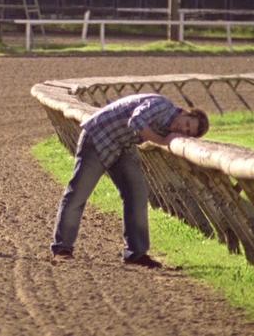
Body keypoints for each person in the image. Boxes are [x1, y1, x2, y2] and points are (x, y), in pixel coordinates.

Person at [51, 94, 209, 268]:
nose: (182, 129)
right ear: (185, 113)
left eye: (187, 132)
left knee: (137, 194)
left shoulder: (171, 128)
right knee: (78, 193)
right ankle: (62, 249)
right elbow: (136, 121)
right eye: (187, 124)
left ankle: (136, 253)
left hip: (122, 145)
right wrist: (163, 141)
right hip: (98, 137)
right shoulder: (162, 105)